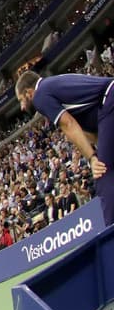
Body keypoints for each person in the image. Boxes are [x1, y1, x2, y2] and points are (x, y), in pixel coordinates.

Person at [15, 70, 111, 224]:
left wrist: (92, 158)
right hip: (107, 104)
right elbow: (92, 130)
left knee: (103, 174)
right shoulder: (52, 85)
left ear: (28, 92)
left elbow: (68, 124)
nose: (21, 107)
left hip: (109, 102)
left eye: (21, 100)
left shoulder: (40, 95)